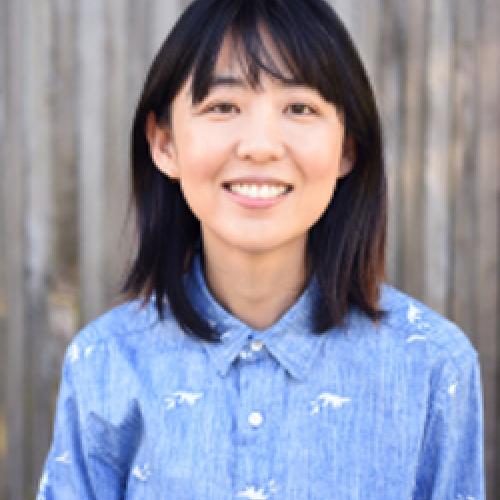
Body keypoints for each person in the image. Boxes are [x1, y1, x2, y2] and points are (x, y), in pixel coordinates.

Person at [37, 0, 485, 498]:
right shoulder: (106, 362)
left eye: (299, 108)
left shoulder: (433, 366)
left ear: (347, 149)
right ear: (165, 143)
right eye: (223, 106)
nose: (261, 145)